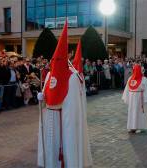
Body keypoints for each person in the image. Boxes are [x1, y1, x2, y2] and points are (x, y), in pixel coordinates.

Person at [37, 22, 92, 168]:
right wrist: (41, 98)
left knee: (66, 143)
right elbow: (46, 93)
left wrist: (67, 119)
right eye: (54, 60)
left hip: (64, 119)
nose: (55, 63)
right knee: (51, 145)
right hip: (50, 117)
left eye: (58, 60)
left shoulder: (72, 77)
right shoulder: (49, 74)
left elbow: (73, 104)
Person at [122, 64, 147, 134]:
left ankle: (139, 127)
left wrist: (146, 100)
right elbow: (127, 89)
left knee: (139, 112)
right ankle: (131, 126)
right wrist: (127, 98)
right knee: (131, 112)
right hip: (132, 99)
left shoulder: (144, 79)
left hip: (139, 98)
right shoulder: (130, 78)